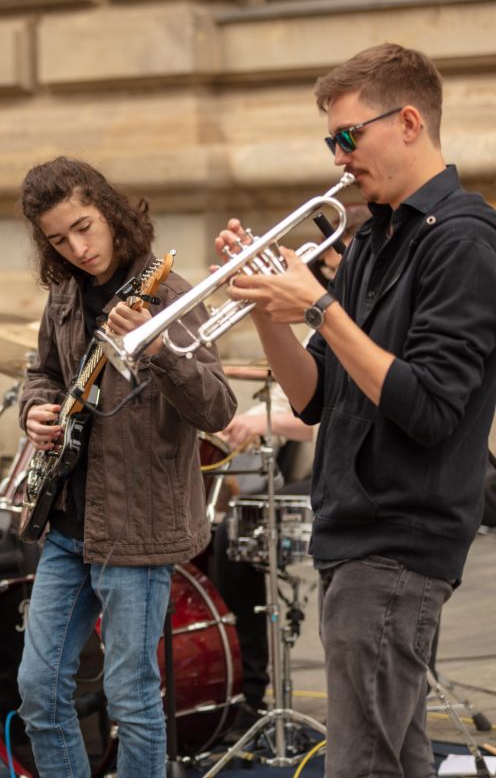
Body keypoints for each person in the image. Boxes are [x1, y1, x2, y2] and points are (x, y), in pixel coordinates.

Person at [218, 43, 496, 777]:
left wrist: (316, 303)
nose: (338, 158)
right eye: (330, 141)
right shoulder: (373, 236)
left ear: (408, 121)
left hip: (399, 540)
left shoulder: (464, 242)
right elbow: (319, 398)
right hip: (352, 535)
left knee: (362, 764)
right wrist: (268, 311)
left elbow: (431, 406)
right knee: (397, 760)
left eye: (349, 137)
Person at [13, 156, 236, 776]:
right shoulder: (63, 296)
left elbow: (217, 405)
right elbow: (43, 375)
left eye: (84, 227)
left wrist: (160, 349)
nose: (78, 248)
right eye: (58, 239)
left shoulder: (167, 293)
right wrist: (35, 411)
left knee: (131, 699)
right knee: (38, 689)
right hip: (67, 523)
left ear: (110, 212)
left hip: (137, 532)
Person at [211, 203, 372, 742]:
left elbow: (341, 409)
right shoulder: (326, 310)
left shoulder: (358, 306)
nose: (326, 271)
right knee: (229, 537)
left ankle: (252, 685)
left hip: (364, 482)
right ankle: (246, 690)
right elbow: (312, 393)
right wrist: (262, 306)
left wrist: (266, 419)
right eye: (323, 265)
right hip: (329, 474)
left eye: (330, 262)